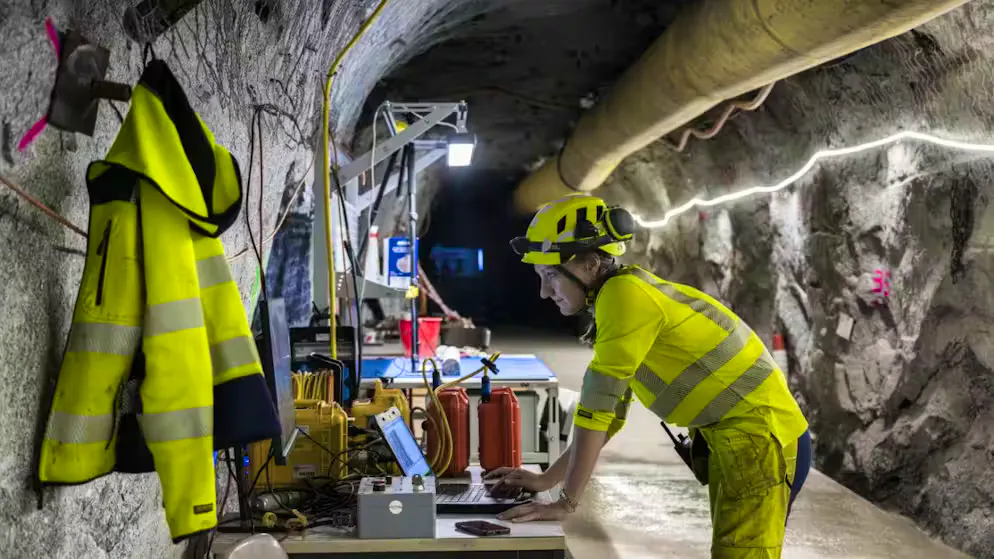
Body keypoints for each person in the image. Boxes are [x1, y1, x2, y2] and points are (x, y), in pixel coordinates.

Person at [492, 194, 812, 558]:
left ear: (591, 264)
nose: (544, 292)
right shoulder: (621, 296)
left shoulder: (623, 297)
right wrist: (547, 479)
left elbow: (596, 413)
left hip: (762, 437)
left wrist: (565, 502)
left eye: (551, 275)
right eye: (539, 276)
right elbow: (609, 418)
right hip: (746, 437)